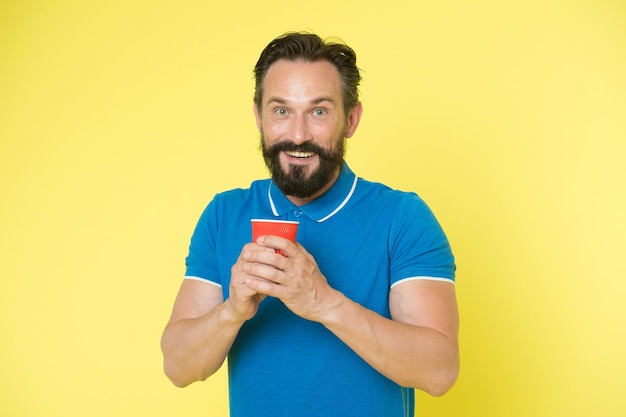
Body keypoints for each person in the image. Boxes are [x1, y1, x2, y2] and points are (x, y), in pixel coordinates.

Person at [161, 32, 459, 417]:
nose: (298, 134)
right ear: (258, 116)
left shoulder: (402, 217)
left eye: (319, 111)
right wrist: (231, 311)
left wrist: (322, 301)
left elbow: (440, 371)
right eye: (281, 111)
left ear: (351, 119)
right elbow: (179, 368)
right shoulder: (224, 215)